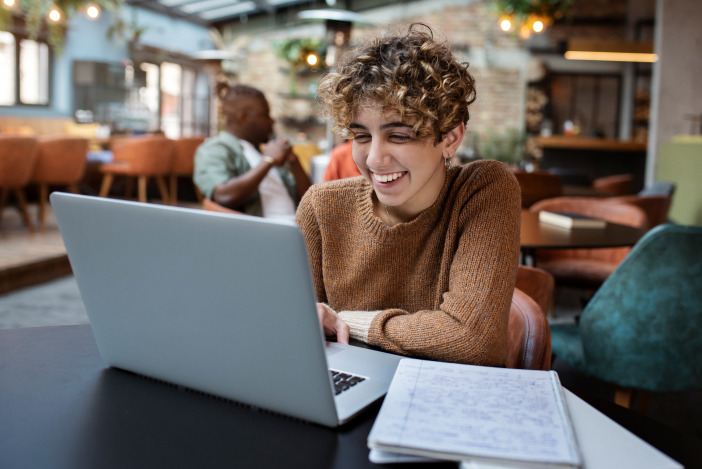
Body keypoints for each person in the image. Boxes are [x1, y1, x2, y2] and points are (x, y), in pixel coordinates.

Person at [295, 24, 521, 367]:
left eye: (398, 136)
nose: (373, 160)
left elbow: (474, 341)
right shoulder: (321, 206)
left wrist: (344, 321)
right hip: (342, 394)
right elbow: (290, 330)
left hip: (445, 402)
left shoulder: (484, 189)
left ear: (450, 138)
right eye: (361, 136)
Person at [194, 83, 311, 220]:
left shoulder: (261, 151)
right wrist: (268, 161)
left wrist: (294, 162)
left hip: (299, 230)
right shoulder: (214, 149)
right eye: (265, 115)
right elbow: (224, 195)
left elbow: (308, 202)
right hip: (262, 234)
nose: (272, 120)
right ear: (243, 118)